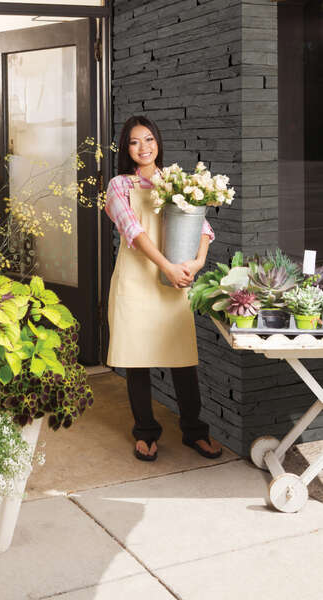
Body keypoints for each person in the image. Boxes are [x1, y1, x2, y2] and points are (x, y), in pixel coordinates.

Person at [105, 115, 222, 462]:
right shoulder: (119, 185)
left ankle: (194, 431)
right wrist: (168, 266)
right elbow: (133, 232)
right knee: (137, 360)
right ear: (127, 149)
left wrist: (197, 262)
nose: (144, 147)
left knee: (183, 358)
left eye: (149, 139)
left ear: (158, 142)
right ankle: (146, 432)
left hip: (172, 281)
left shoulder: (175, 181)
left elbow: (203, 226)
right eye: (135, 142)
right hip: (136, 281)